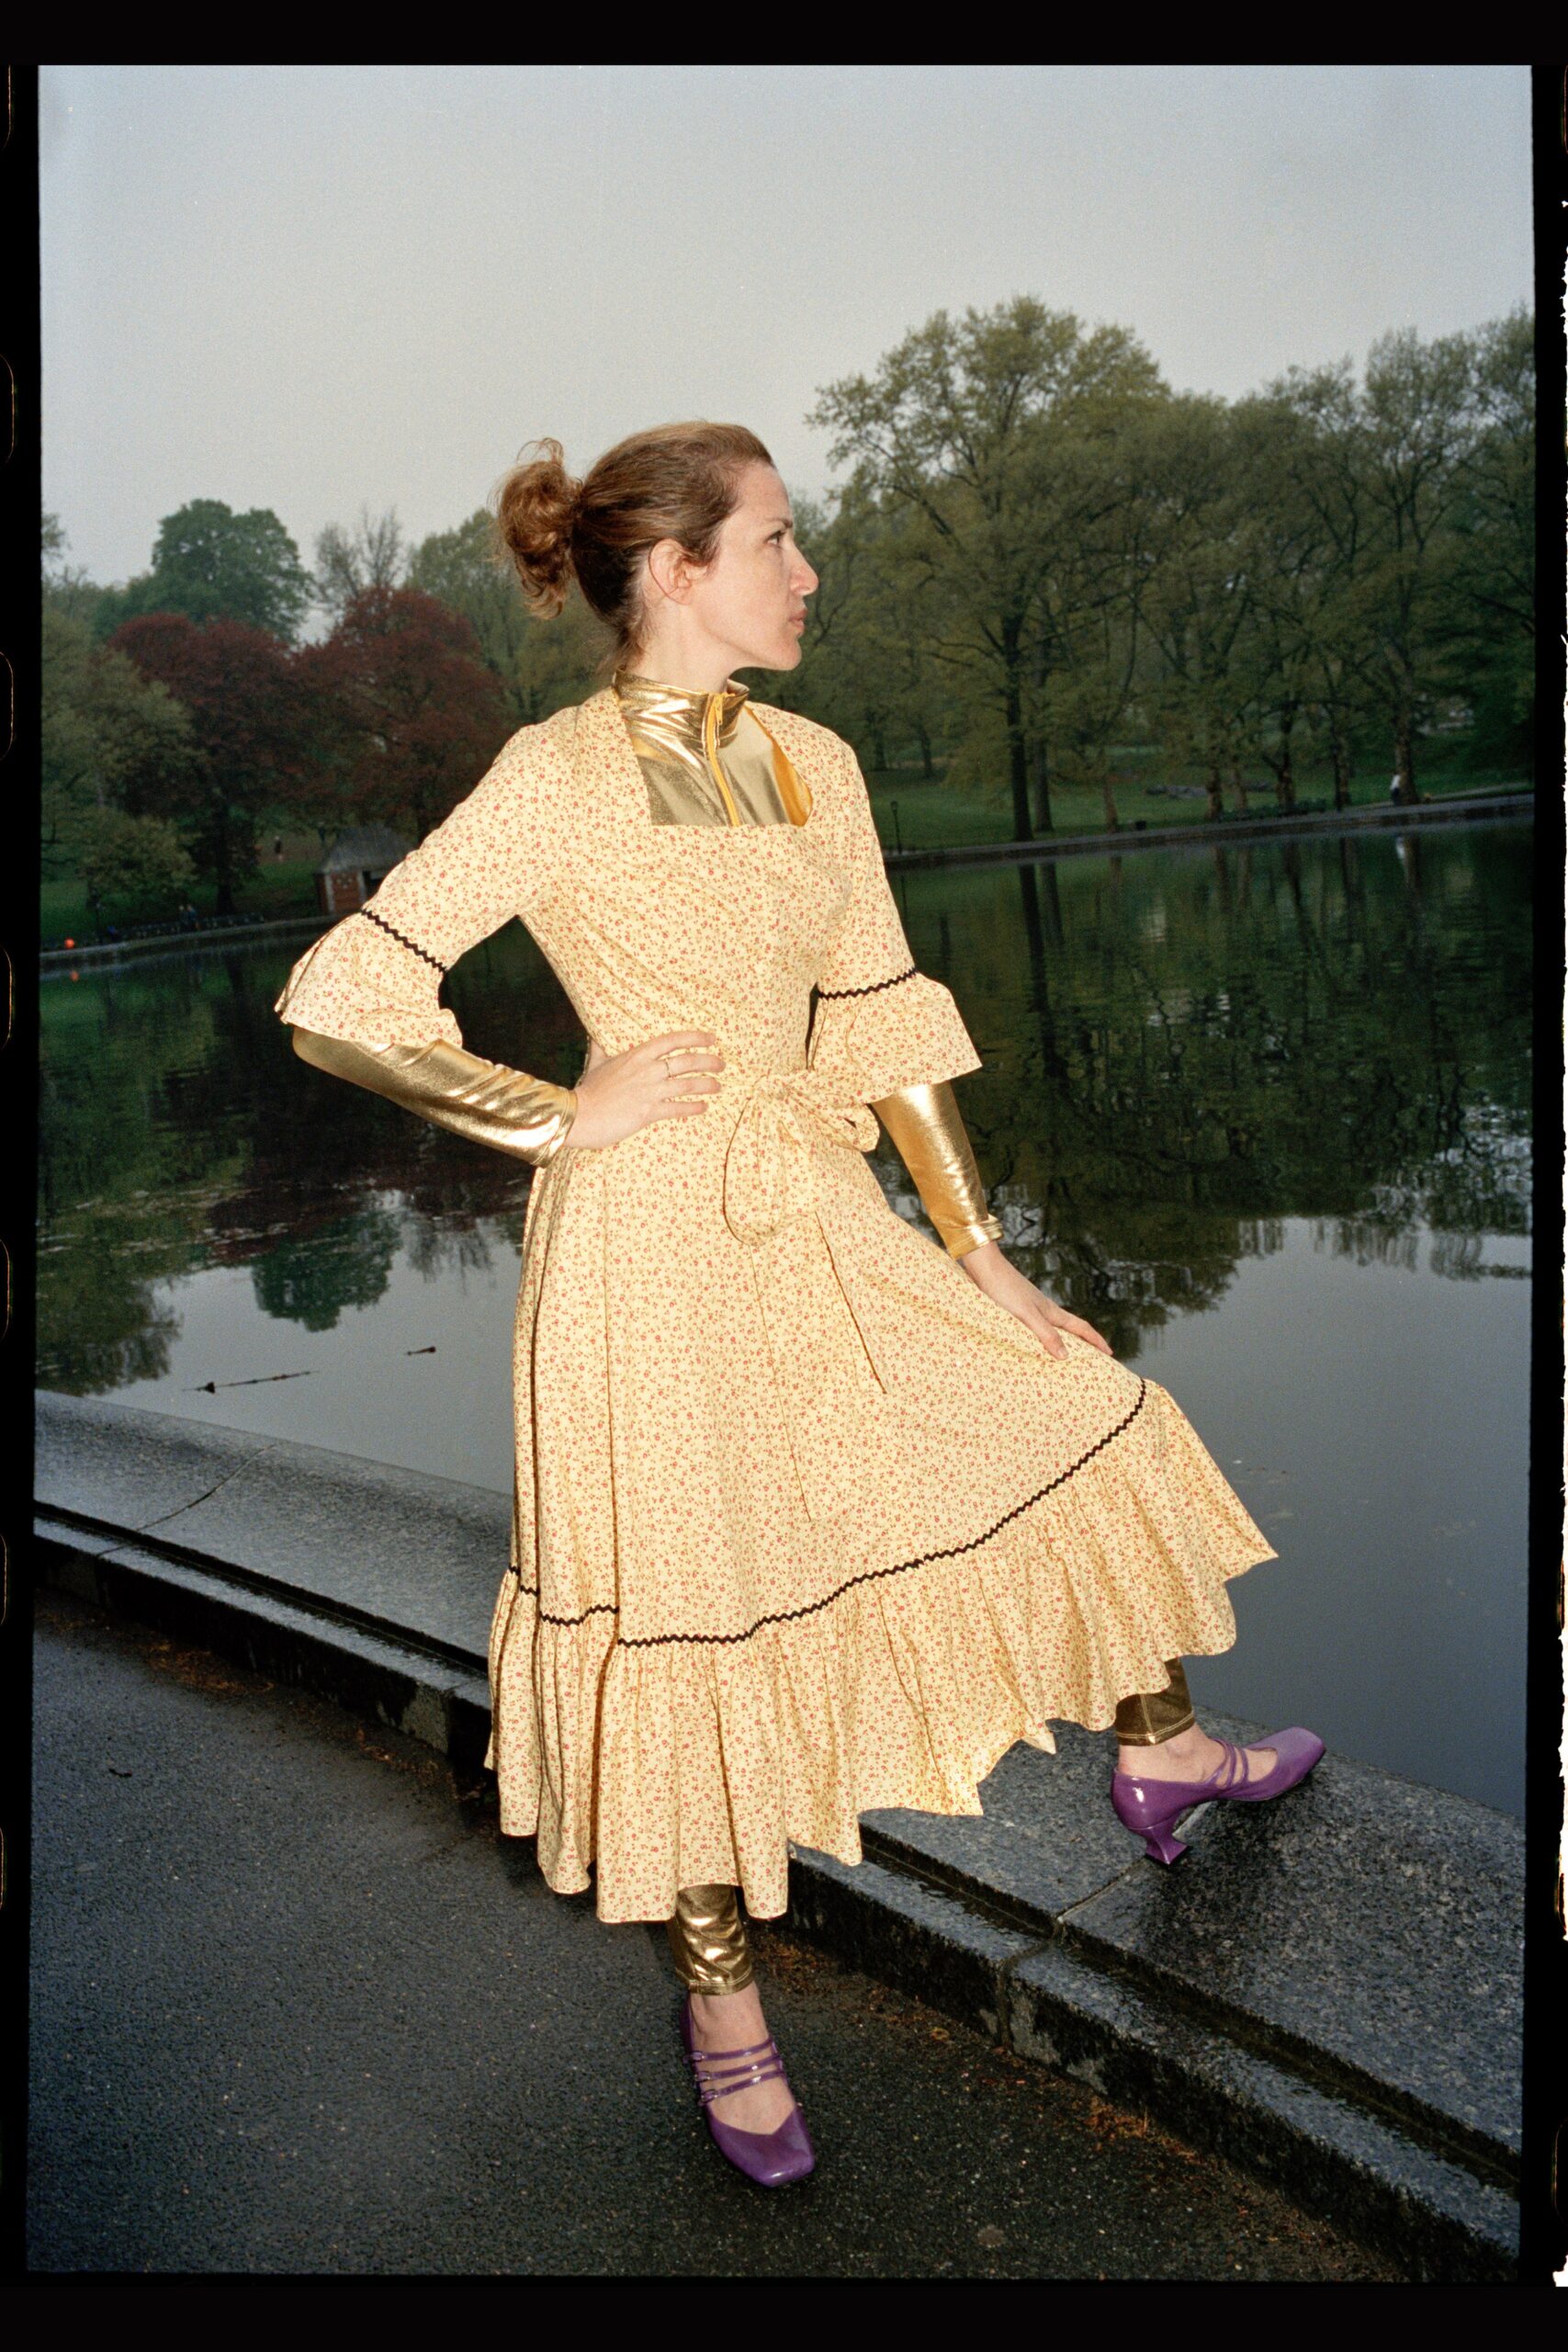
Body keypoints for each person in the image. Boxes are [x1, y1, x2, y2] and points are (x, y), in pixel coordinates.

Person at [273, 422, 1324, 2191]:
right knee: (691, 1608)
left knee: (1070, 1402)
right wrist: (560, 1112)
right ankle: (721, 2000)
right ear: (677, 573)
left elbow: (884, 1014)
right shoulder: (555, 775)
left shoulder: (818, 762)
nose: (807, 569)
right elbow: (341, 997)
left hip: (820, 1210)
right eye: (777, 539)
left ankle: (1162, 1749)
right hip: (645, 1259)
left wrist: (980, 1248)